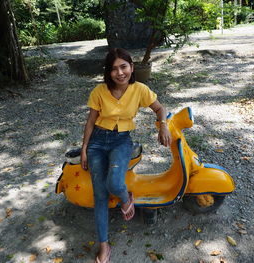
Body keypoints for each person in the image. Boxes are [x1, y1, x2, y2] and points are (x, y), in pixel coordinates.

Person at [81, 48, 171, 263]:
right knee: (100, 195)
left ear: (131, 67)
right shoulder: (99, 91)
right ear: (108, 72)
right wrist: (84, 148)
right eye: (114, 69)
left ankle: (125, 198)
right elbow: (91, 121)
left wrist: (163, 126)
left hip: (121, 141)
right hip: (97, 143)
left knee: (114, 182)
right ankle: (104, 245)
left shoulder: (140, 89)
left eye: (124, 66)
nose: (119, 73)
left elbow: (159, 108)